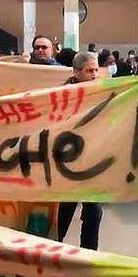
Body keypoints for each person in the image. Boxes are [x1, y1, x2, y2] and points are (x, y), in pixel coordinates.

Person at [57, 52, 102, 249]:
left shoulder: (103, 91)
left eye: (96, 70)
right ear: (76, 72)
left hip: (93, 162)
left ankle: (89, 254)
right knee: (65, 208)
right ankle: (54, 246)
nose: (94, 75)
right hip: (67, 163)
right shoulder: (62, 95)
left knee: (94, 211)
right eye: (89, 71)